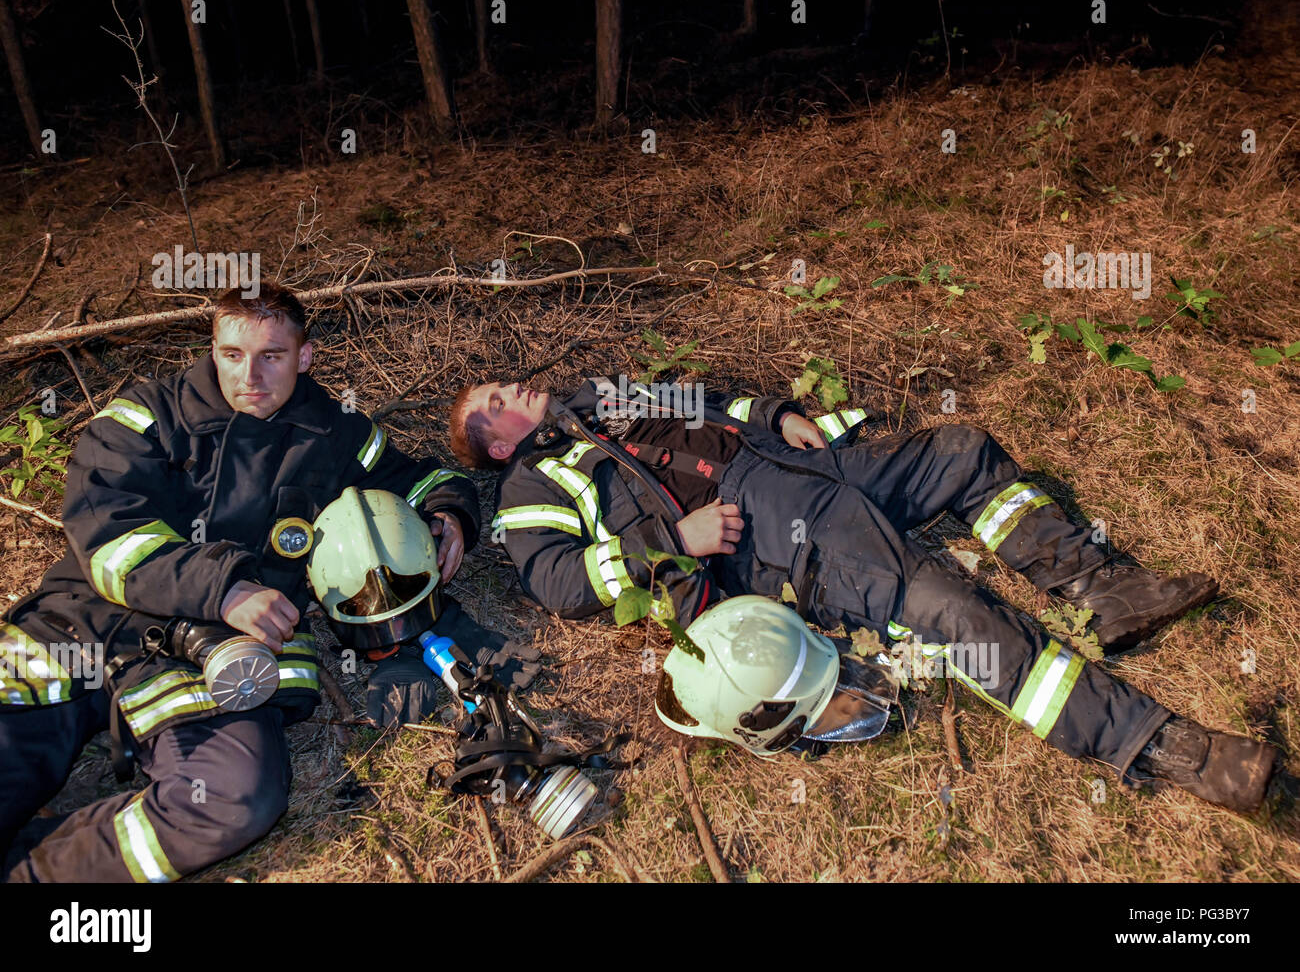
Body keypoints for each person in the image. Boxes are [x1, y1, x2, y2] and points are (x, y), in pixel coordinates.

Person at [448, 375, 1280, 813]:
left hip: (816, 468)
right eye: (492, 403)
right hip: (779, 539)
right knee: (960, 615)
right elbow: (557, 581)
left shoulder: (600, 396)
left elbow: (699, 398)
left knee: (961, 450)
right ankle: (1165, 749)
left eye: (499, 384)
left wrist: (774, 414)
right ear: (491, 447)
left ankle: (1100, 589)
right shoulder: (529, 489)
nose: (509, 389)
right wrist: (674, 543)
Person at [0, 284, 480, 882]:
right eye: (232, 354)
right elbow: (107, 535)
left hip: (220, 654)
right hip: (89, 624)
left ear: (304, 357)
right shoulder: (146, 414)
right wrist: (225, 588)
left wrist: (449, 513)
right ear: (213, 347)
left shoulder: (334, 432)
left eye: (272, 356)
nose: (249, 375)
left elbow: (413, 477)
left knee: (234, 801)